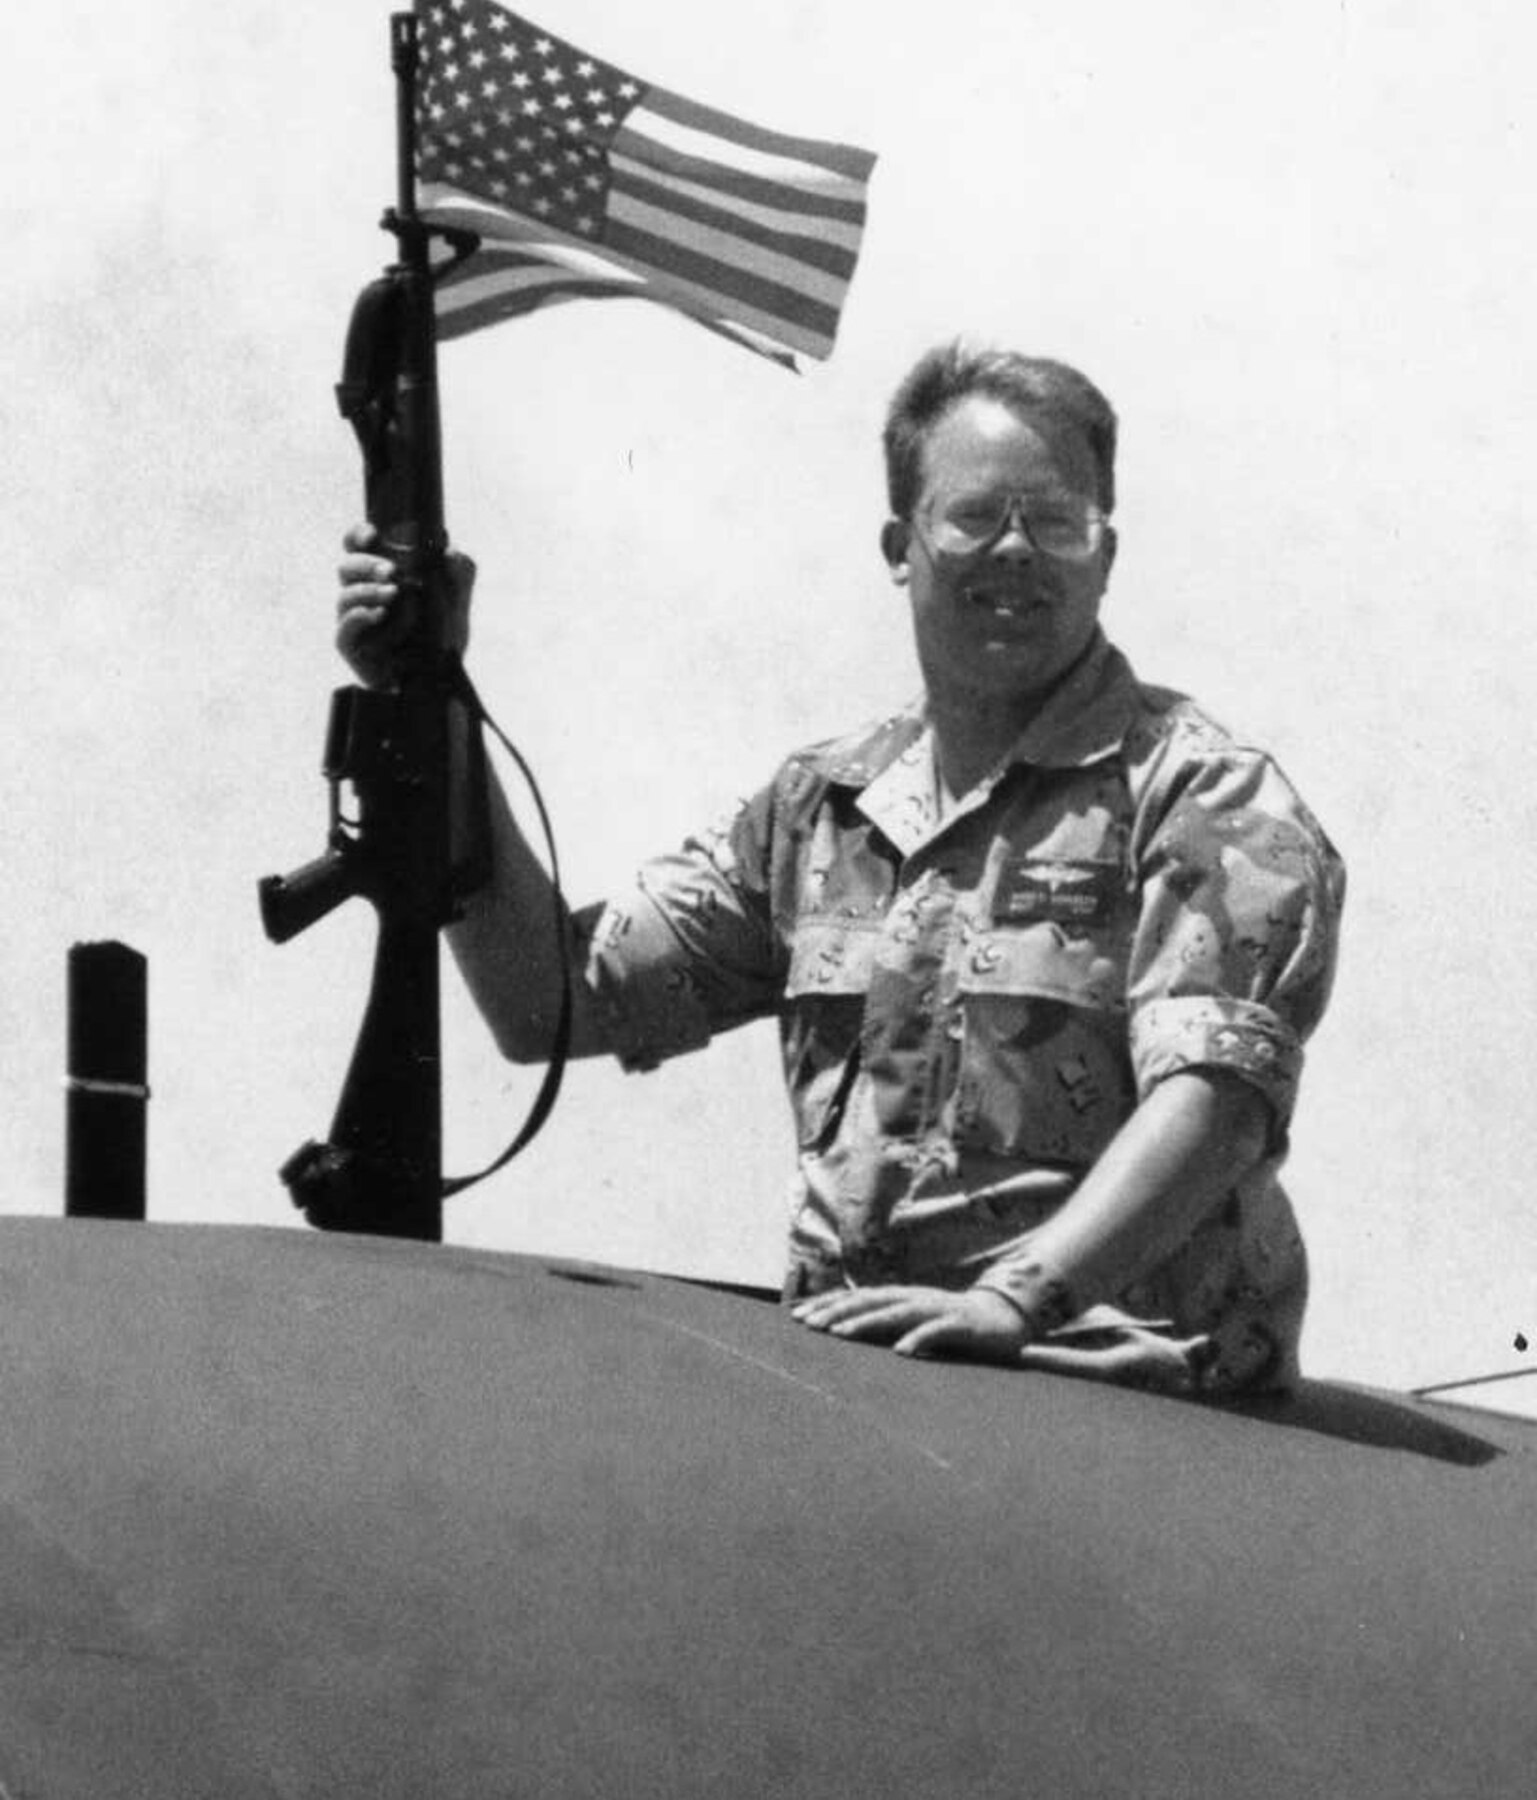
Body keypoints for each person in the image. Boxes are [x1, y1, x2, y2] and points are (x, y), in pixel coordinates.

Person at [336, 340, 1345, 1394]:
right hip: (877, 1394)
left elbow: (1217, 1103)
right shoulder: (820, 812)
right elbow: (552, 1001)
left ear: (1106, 551)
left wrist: (1014, 1300)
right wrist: (435, 701)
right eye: (973, 517)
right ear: (899, 543)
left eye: (1056, 522)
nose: (1017, 552)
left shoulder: (1203, 796)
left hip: (1126, 1404)